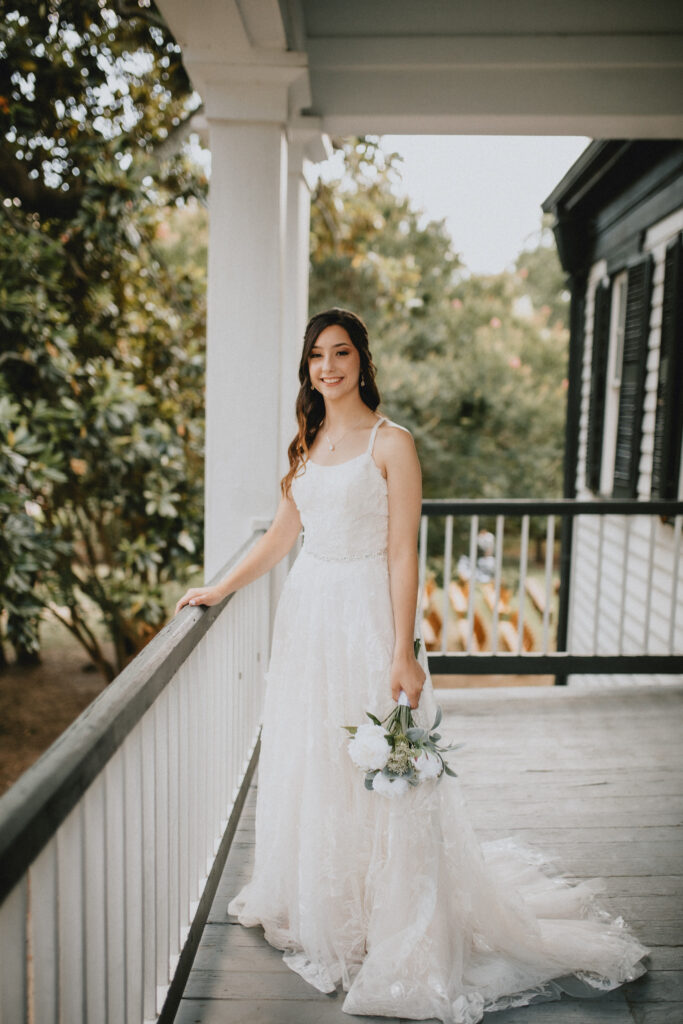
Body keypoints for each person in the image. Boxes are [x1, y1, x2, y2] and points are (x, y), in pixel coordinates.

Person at [174, 308, 647, 1024]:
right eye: (315, 357)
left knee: (376, 768)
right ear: (307, 369)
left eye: (339, 354)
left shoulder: (391, 445)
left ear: (362, 360)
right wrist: (218, 588)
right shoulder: (308, 440)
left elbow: (402, 553)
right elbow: (280, 536)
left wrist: (402, 650)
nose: (327, 368)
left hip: (364, 615)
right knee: (314, 756)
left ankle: (392, 913)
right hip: (307, 618)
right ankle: (327, 901)